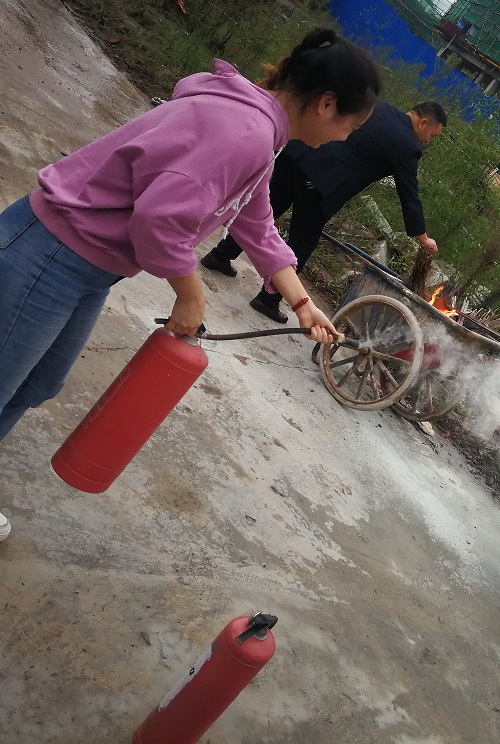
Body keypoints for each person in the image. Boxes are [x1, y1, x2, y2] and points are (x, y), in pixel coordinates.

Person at [0, 28, 381, 538]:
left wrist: (301, 302)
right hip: (55, 249)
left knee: (38, 383)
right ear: (326, 103)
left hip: (89, 266)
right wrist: (190, 293)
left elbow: (256, 222)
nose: (345, 138)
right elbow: (158, 222)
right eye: (350, 126)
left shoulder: (261, 132)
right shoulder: (244, 132)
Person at [199, 99, 448, 323]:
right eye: (432, 135)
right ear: (423, 123)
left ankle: (220, 256)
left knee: (263, 213)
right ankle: (269, 298)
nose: (429, 141)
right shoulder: (407, 145)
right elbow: (409, 192)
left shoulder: (378, 105)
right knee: (302, 241)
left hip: (298, 153)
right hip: (321, 179)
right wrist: (423, 237)